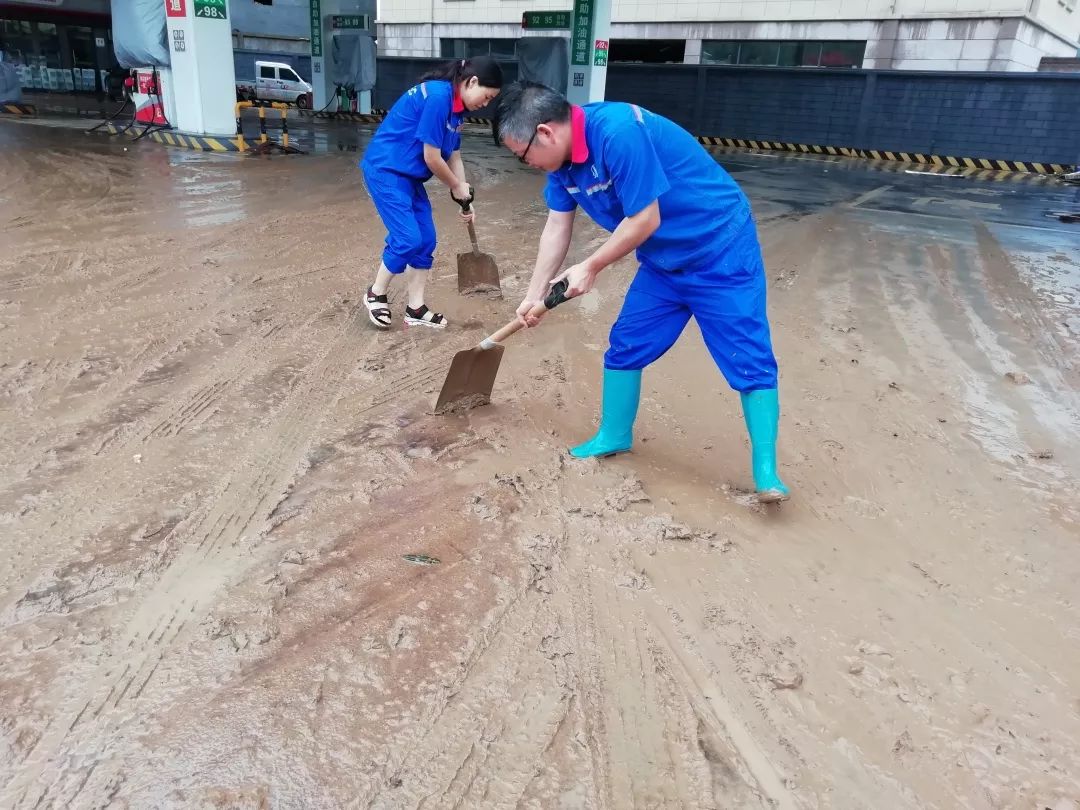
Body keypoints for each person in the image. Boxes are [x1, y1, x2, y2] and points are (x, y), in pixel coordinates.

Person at [492, 81, 790, 503]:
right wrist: (534, 293)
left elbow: (644, 219)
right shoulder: (561, 167)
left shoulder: (618, 133)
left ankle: (766, 472)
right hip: (663, 262)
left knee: (749, 359)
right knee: (626, 345)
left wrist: (590, 266)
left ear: (545, 133)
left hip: (720, 251)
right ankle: (614, 434)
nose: (528, 164)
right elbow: (558, 224)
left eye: (522, 155)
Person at [360, 57, 503, 330]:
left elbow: (455, 157)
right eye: (486, 97)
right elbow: (432, 157)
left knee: (426, 239)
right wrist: (454, 185)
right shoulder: (439, 98)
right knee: (408, 238)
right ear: (472, 82)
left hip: (409, 177)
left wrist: (464, 197)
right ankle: (375, 293)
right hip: (386, 171)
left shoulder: (457, 112)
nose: (485, 104)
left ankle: (416, 308)